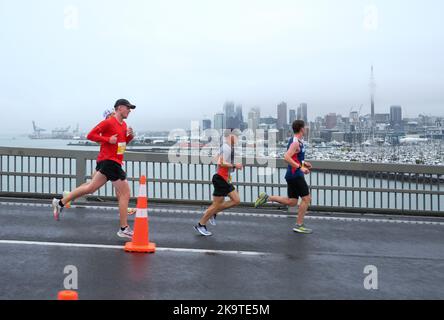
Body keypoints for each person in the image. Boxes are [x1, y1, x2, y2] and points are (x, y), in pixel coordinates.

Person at [51, 99, 136, 239]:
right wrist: (108, 139)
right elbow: (90, 135)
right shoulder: (108, 122)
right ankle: (123, 228)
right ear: (119, 108)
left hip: (114, 161)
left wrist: (130, 136)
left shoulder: (124, 124)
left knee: (90, 188)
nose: (129, 111)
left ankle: (60, 202)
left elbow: (121, 144)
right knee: (125, 193)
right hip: (110, 161)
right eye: (128, 108)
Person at [254, 120, 313, 234]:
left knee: (292, 202)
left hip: (292, 174)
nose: (306, 129)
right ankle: (299, 225)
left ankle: (267, 197)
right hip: (296, 175)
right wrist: (300, 168)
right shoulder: (295, 142)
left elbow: (294, 158)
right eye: (305, 127)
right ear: (301, 129)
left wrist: (304, 164)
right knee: (306, 199)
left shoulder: (297, 141)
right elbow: (286, 157)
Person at [194, 130, 242, 236]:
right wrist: (234, 166)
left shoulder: (227, 147)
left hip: (223, 179)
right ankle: (201, 224)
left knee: (231, 201)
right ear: (229, 136)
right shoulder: (226, 147)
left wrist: (230, 167)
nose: (238, 139)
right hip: (220, 179)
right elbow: (220, 162)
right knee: (223, 203)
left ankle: (212, 213)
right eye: (236, 136)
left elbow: (216, 158)